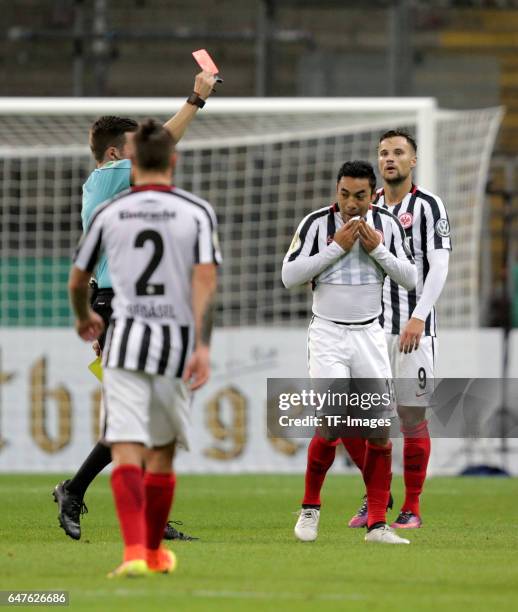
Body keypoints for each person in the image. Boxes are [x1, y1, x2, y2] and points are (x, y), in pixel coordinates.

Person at [53, 70, 217, 542]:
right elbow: (161, 140)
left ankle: (95, 496)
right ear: (113, 153)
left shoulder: (115, 188)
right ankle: (81, 492)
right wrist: (197, 97)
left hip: (133, 308)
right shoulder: (108, 177)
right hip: (114, 308)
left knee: (143, 416)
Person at [282, 160, 417, 545]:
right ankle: (310, 509)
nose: (351, 204)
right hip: (326, 334)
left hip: (369, 335)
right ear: (336, 192)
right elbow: (289, 276)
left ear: (371, 195)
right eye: (344, 195)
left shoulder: (387, 226)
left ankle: (377, 525)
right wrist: (334, 249)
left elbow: (410, 278)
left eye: (359, 196)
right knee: (330, 421)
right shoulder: (314, 225)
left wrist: (380, 252)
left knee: (378, 432)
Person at [345, 130, 451, 529]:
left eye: (398, 152)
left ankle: (412, 507)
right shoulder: (365, 207)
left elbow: (439, 265)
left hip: (413, 328)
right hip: (368, 328)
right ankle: (378, 494)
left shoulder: (428, 206)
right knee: (354, 418)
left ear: (413, 161)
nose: (390, 159)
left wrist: (420, 316)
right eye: (384, 153)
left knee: (410, 417)